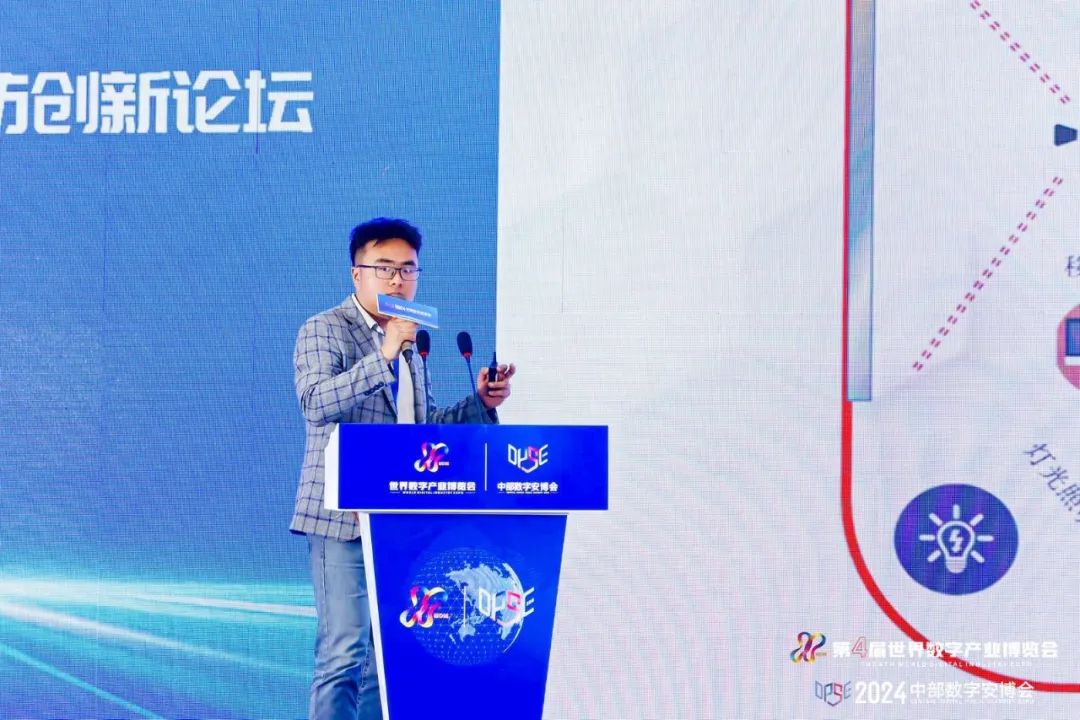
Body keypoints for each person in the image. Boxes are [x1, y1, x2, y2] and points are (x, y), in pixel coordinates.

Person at [290, 217, 515, 720]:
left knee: (385, 659)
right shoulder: (325, 329)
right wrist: (384, 352)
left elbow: (422, 429)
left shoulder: (411, 346)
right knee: (344, 652)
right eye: (384, 268)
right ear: (357, 274)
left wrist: (480, 401)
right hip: (342, 518)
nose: (397, 280)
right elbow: (317, 402)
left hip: (401, 520)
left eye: (407, 269)